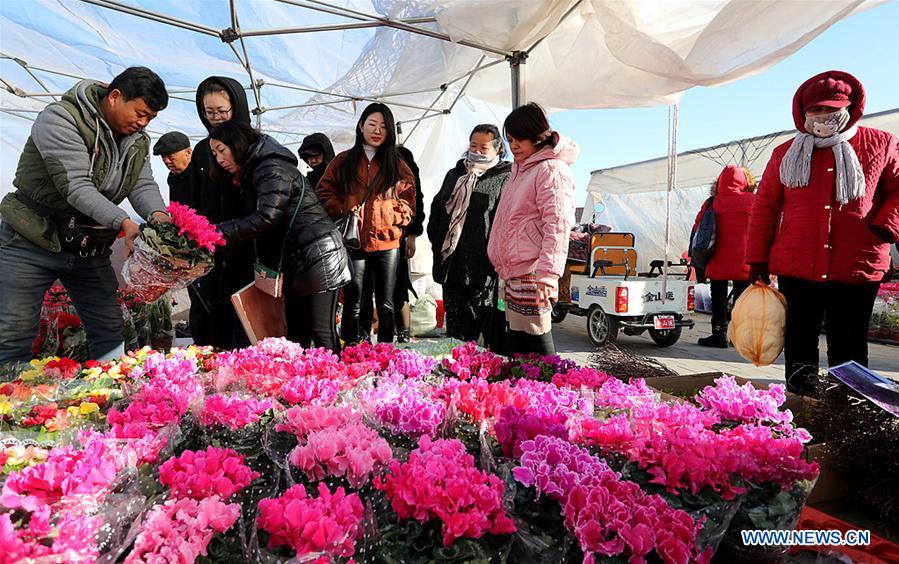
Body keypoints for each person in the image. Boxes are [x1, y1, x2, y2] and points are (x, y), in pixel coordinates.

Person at [0, 66, 171, 364]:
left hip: (88, 246)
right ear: (115, 97)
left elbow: (142, 184)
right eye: (140, 113)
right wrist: (125, 222)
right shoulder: (60, 118)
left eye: (150, 118)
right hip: (31, 239)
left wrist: (160, 218)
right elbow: (76, 187)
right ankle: (9, 405)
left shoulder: (138, 140)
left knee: (110, 330)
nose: (143, 123)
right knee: (12, 333)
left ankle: (113, 402)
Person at [746, 70, 899, 395]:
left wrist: (886, 225)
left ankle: (847, 411)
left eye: (831, 110)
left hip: (857, 263)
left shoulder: (881, 143)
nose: (824, 117)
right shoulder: (785, 153)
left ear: (850, 108)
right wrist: (756, 259)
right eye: (816, 111)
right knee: (799, 338)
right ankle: (802, 408)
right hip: (797, 264)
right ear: (803, 113)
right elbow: (765, 208)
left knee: (849, 344)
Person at [208, 121, 350, 353]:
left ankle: (335, 386)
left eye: (222, 150)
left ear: (238, 144)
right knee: (295, 333)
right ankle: (303, 385)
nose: (219, 159)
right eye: (214, 154)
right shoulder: (258, 169)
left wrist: (215, 232)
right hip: (298, 259)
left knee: (320, 329)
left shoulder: (271, 167)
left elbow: (265, 217)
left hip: (319, 255)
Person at [315, 102, 416, 344]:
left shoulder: (398, 163)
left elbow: (410, 201)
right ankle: (351, 351)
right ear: (361, 126)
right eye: (372, 124)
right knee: (353, 300)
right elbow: (323, 191)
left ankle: (384, 353)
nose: (377, 130)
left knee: (386, 303)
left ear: (390, 131)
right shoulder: (343, 161)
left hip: (388, 243)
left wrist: (391, 214)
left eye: (383, 126)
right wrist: (343, 209)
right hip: (353, 242)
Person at [487, 103, 578, 355]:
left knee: (537, 340)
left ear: (536, 135)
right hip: (515, 272)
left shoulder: (550, 169)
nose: (513, 145)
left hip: (533, 271)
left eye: (519, 139)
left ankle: (553, 390)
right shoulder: (521, 169)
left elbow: (558, 225)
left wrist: (548, 275)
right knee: (519, 343)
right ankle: (529, 391)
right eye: (510, 140)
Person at [187, 76, 255, 349]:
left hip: (248, 244)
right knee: (216, 310)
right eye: (209, 112)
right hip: (212, 246)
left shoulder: (252, 145)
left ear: (236, 108)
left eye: (222, 111)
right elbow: (193, 198)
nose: (216, 118)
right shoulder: (204, 150)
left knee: (247, 314)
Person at [428, 124, 512, 342]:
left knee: (480, 328)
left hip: (483, 267)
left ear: (497, 149)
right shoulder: (455, 173)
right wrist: (436, 239)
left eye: (483, 147)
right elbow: (437, 207)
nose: (476, 151)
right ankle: (455, 371)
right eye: (473, 145)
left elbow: (505, 220)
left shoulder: (505, 176)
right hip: (452, 263)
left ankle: (478, 373)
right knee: (455, 327)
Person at [358, 145, 424, 343]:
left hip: (395, 238)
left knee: (396, 287)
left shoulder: (402, 156)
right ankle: (364, 335)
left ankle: (402, 333)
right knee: (365, 288)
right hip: (365, 239)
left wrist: (412, 234)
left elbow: (415, 199)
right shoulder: (363, 160)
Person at [691, 165, 757, 348]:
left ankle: (718, 335)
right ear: (746, 181)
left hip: (718, 257)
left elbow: (699, 228)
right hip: (745, 259)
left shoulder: (713, 202)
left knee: (718, 295)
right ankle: (739, 338)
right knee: (742, 298)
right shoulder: (753, 200)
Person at [153, 131, 193, 205]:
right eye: (163, 157)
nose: (167, 161)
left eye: (170, 155)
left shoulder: (202, 173)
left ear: (188, 152)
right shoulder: (172, 177)